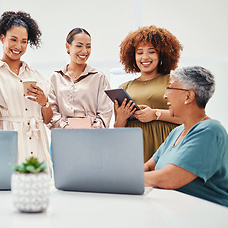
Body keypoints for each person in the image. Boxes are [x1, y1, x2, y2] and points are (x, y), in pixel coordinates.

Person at [144, 66, 228, 206]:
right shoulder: (176, 132)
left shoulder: (211, 131)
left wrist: (123, 179)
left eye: (170, 88)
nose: (165, 95)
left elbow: (168, 179)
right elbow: (148, 167)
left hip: (208, 217)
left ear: (188, 96)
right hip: (176, 213)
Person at [0, 11, 53, 173]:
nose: (18, 46)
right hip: (9, 142)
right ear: (2, 38)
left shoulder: (36, 75)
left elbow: (48, 119)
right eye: (13, 40)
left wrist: (43, 102)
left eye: (24, 41)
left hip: (37, 144)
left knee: (39, 190)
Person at [115, 25, 183, 162]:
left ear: (161, 54)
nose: (145, 57)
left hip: (166, 146)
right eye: (139, 52)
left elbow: (186, 118)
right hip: (133, 150)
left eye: (151, 52)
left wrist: (155, 114)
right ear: (132, 56)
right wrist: (121, 119)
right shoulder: (124, 88)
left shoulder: (173, 81)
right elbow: (118, 131)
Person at [48, 28, 112, 129]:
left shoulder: (99, 78)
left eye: (88, 46)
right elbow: (51, 112)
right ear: (67, 46)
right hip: (62, 136)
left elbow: (105, 113)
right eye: (79, 46)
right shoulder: (55, 77)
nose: (84, 51)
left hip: (92, 137)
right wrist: (65, 128)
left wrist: (91, 131)